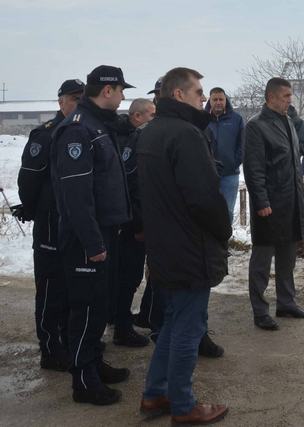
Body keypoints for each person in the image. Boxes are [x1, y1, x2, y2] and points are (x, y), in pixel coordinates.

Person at [137, 67, 231, 425]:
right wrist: (223, 231)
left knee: (174, 323)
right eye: (198, 92)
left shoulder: (152, 132)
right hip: (189, 247)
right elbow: (204, 199)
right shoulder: (186, 135)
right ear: (178, 95)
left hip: (165, 245)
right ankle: (183, 404)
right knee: (187, 328)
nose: (204, 99)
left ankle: (155, 393)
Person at [50, 65, 133, 405]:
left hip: (104, 232)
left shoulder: (99, 125)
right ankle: (83, 381)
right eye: (121, 90)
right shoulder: (78, 130)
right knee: (85, 309)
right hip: (86, 238)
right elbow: (76, 195)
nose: (124, 96)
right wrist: (92, 242)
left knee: (99, 306)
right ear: (107, 91)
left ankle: (94, 363)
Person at [15, 78, 84, 372]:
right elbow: (28, 180)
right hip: (49, 224)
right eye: (72, 98)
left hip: (73, 225)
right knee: (50, 289)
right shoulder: (46, 135)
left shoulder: (83, 131)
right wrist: (32, 210)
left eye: (82, 98)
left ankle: (68, 341)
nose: (77, 103)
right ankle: (50, 349)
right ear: (60, 102)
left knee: (71, 287)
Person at [244, 77, 304, 332]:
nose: (289, 100)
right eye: (285, 96)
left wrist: (300, 194)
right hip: (270, 204)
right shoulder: (256, 126)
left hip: (291, 200)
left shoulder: (288, 122)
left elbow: (294, 162)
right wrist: (261, 201)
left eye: (290, 96)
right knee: (262, 259)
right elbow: (254, 169)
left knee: (288, 256)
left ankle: (286, 302)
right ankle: (260, 310)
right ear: (270, 97)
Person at [110, 98, 155, 348]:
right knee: (127, 276)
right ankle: (122, 328)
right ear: (137, 117)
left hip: (131, 221)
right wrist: (138, 225)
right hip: (131, 224)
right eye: (151, 115)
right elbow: (132, 187)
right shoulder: (131, 140)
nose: (154, 120)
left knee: (126, 275)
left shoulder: (132, 137)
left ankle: (118, 319)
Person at [205, 87, 244, 222]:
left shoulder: (236, 119)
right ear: (209, 100)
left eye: (221, 99)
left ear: (225, 100)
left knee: (227, 210)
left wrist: (234, 161)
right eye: (215, 99)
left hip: (229, 174)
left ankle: (225, 241)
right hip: (207, 174)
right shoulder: (202, 119)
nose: (218, 102)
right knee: (208, 210)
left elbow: (242, 144)